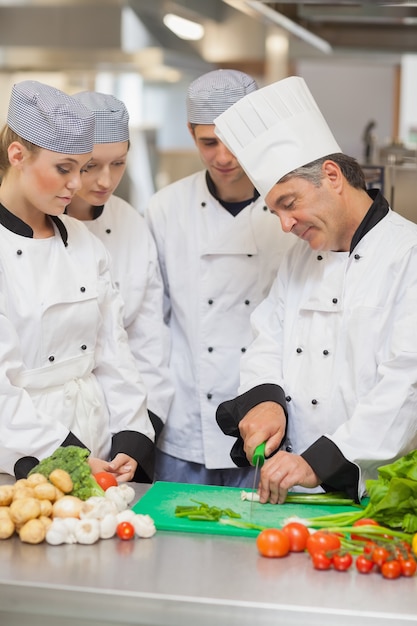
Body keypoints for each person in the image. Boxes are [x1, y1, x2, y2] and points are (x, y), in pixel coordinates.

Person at [214, 75, 417, 504]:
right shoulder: (299, 259)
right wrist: (265, 403)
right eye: (275, 213)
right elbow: (266, 339)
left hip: (377, 493)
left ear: (331, 175)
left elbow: (407, 384)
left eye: (289, 204)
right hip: (295, 487)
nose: (285, 225)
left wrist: (320, 462)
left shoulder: (408, 254)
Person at [145, 69, 295, 487]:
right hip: (187, 421)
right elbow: (152, 322)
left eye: (234, 143)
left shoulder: (291, 210)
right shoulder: (165, 209)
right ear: (191, 132)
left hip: (268, 419)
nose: (224, 157)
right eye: (209, 142)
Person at [0, 80, 155, 483]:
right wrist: (64, 453)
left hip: (94, 445)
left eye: (80, 168)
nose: (77, 184)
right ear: (18, 155)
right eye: (64, 168)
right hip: (22, 453)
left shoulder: (83, 241)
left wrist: (130, 436)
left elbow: (113, 352)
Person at [66, 91, 174, 441]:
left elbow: (148, 340)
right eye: (91, 166)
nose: (106, 181)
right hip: (46, 429)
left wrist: (143, 430)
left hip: (126, 419)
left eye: (118, 163)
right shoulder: (32, 228)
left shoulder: (130, 222)